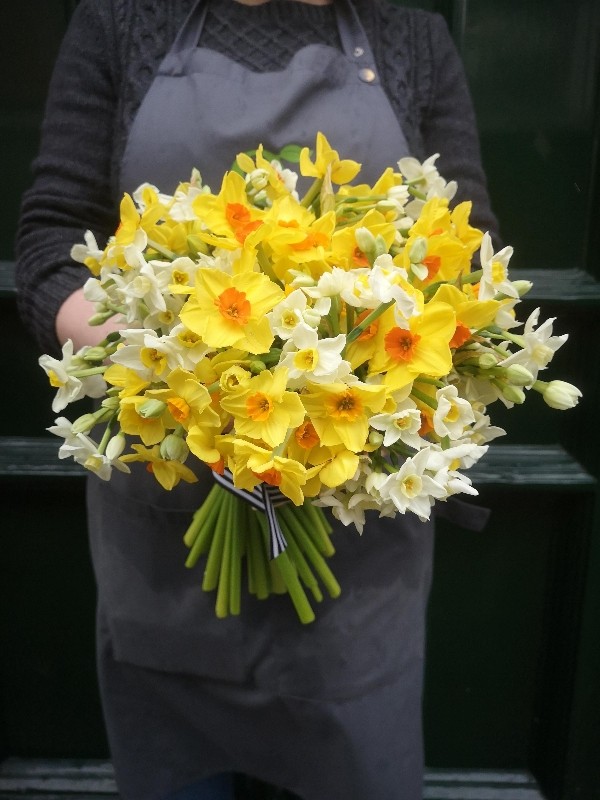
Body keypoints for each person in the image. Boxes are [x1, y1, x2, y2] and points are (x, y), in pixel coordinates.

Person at [16, 1, 499, 798]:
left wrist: (350, 378)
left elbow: (465, 249)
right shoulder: (119, 21)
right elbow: (49, 243)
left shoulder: (410, 35)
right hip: (167, 509)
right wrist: (179, 367)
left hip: (356, 537)